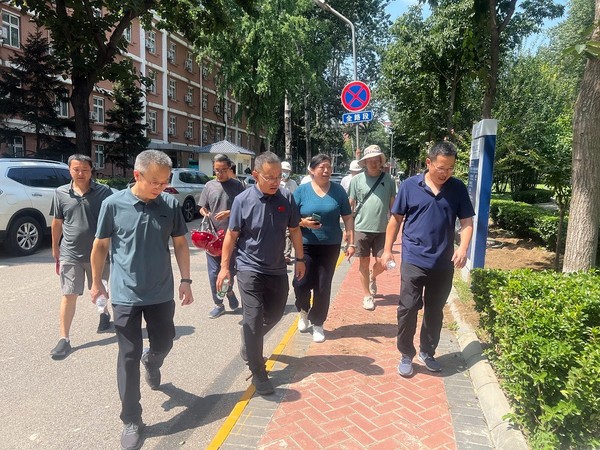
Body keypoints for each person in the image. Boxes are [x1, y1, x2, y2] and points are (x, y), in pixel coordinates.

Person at [90, 150, 194, 450]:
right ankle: (131, 419)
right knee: (128, 354)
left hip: (161, 292)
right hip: (125, 294)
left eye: (165, 182)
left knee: (165, 341)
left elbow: (180, 245)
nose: (161, 187)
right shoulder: (113, 204)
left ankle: (154, 360)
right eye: (155, 182)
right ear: (137, 176)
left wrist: (186, 280)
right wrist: (97, 282)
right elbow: (99, 246)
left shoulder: (169, 205)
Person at [381, 141, 474, 377]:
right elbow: (395, 220)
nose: (445, 173)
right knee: (408, 307)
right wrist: (387, 249)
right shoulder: (410, 186)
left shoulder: (457, 189)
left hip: (443, 262)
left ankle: (428, 352)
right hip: (413, 258)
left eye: (450, 168)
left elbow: (466, 222)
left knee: (435, 310)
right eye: (441, 167)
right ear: (429, 163)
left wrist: (463, 248)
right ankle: (405, 354)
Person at [217, 151, 305, 396]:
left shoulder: (286, 197)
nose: (276, 181)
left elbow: (295, 230)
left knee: (276, 313)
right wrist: (225, 268)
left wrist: (300, 259)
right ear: (256, 175)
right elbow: (231, 236)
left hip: (277, 268)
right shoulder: (242, 200)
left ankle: (250, 339)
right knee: (254, 318)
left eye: (279, 176)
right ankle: (258, 370)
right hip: (249, 268)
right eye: (270, 177)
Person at [49, 154, 113, 360]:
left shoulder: (104, 192)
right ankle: (64, 339)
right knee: (68, 294)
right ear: (69, 170)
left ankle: (103, 314)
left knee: (100, 291)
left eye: (85, 169)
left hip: (99, 254)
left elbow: (115, 220)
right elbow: (57, 222)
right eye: (76, 169)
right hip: (70, 253)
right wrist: (55, 248)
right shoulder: (60, 193)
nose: (80, 173)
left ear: (91, 170)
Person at [293, 154, 355, 343]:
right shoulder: (301, 191)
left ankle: (318, 322)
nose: (326, 170)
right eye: (322, 167)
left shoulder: (338, 192)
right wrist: (303, 222)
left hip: (330, 246)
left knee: (322, 285)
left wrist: (350, 241)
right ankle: (303, 311)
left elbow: (347, 217)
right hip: (304, 245)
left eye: (328, 167)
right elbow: (290, 219)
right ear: (312, 170)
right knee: (301, 283)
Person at [348, 145, 397, 311]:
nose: (374, 164)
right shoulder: (356, 181)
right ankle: (367, 295)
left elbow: (394, 208)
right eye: (370, 161)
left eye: (377, 161)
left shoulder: (389, 180)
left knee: (383, 263)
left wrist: (396, 227)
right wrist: (347, 232)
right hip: (361, 228)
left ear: (381, 162)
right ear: (365, 163)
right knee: (363, 262)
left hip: (383, 229)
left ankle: (372, 276)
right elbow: (350, 207)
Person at [199, 154, 245, 318]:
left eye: (223, 170)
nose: (220, 174)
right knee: (213, 273)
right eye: (217, 170)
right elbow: (202, 207)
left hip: (231, 237)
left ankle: (229, 291)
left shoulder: (238, 186)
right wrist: (204, 211)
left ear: (230, 168)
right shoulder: (209, 186)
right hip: (212, 237)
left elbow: (246, 210)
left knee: (228, 271)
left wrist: (230, 213)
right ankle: (219, 303)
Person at [280, 161, 298, 264]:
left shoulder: (293, 184)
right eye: (283, 171)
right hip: (277, 211)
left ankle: (286, 254)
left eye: (287, 171)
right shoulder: (276, 182)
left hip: (289, 211)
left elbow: (295, 198)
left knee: (288, 233)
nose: (285, 173)